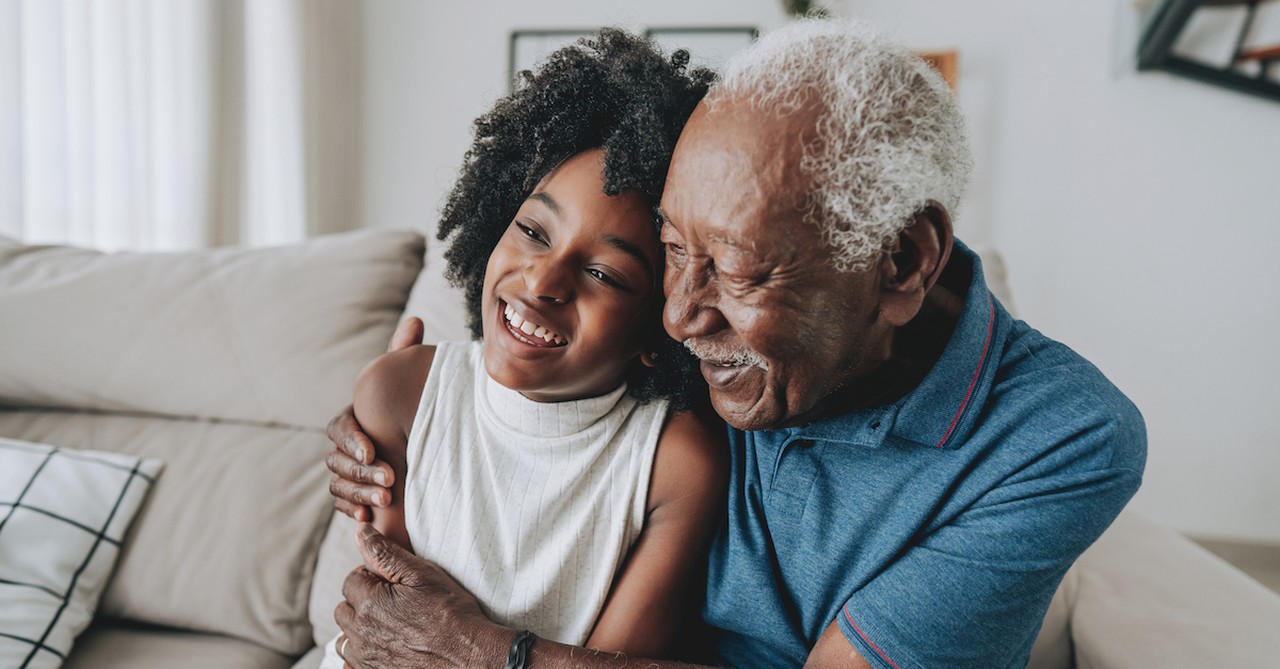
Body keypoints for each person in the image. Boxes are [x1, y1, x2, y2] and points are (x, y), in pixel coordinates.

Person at [326, 17, 1146, 669]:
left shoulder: (1060, 436)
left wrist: (484, 655)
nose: (679, 317)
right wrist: (395, 418)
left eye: (739, 271)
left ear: (901, 263)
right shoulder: (702, 347)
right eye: (675, 249)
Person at [318, 29, 727, 669]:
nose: (542, 282)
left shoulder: (676, 463)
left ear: (660, 328)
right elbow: (386, 631)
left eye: (604, 274)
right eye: (534, 231)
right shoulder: (398, 392)